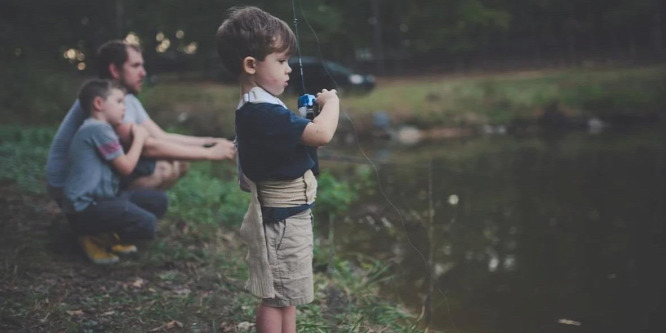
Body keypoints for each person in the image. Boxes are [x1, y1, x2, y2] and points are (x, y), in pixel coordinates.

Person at [216, 6, 340, 332]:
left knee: (287, 295)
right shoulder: (261, 112)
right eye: (281, 60)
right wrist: (333, 104)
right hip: (282, 222)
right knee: (276, 297)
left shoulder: (261, 106)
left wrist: (302, 118)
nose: (289, 68)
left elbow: (294, 140)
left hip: (289, 217)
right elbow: (322, 135)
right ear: (250, 65)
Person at [46, 40, 236, 205]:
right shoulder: (105, 103)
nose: (143, 73)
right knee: (163, 168)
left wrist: (212, 141)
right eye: (135, 66)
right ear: (114, 70)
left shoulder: (127, 99)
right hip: (68, 186)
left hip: (97, 174)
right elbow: (148, 147)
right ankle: (109, 220)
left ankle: (128, 214)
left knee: (179, 162)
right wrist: (210, 153)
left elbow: (162, 136)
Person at [63, 79, 168, 264]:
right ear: (98, 104)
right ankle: (92, 237)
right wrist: (140, 138)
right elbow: (126, 167)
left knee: (159, 200)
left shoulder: (101, 129)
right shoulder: (97, 129)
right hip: (85, 209)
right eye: (119, 102)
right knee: (147, 224)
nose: (124, 108)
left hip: (103, 200)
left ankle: (106, 234)